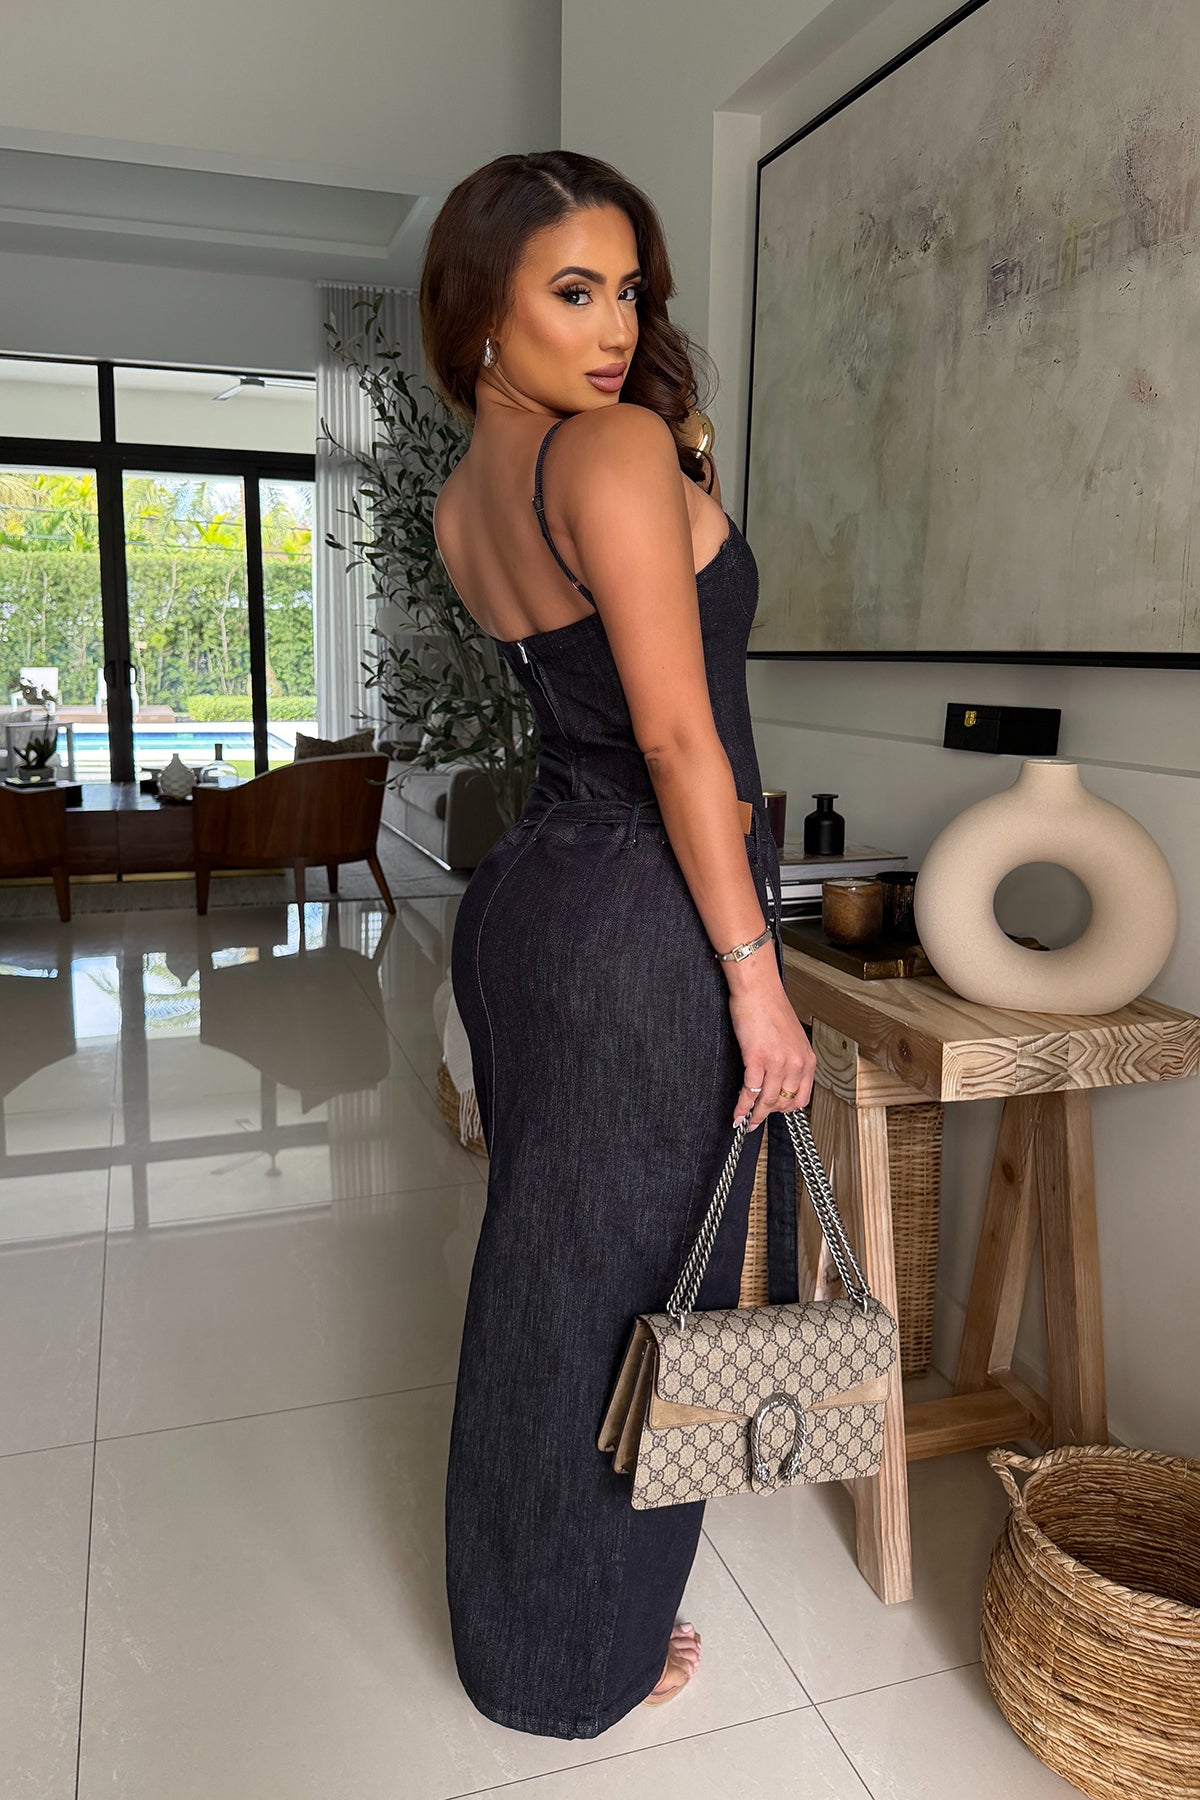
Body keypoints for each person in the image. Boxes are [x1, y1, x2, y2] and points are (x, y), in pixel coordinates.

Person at [421, 149, 816, 1740]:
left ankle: (526, 1632)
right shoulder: (610, 447)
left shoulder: (470, 493)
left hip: (536, 901)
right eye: (572, 291)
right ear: (482, 313)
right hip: (644, 921)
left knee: (545, 1280)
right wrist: (758, 980)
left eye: (629, 290)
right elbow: (676, 739)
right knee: (648, 1292)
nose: (614, 326)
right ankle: (584, 1659)